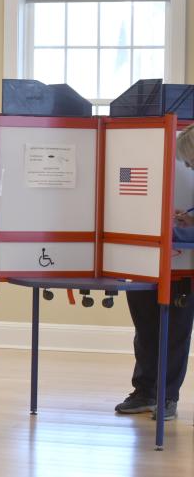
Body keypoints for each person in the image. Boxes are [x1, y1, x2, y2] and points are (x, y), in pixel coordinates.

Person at [115, 123, 194, 420]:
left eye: (190, 161)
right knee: (146, 330)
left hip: (181, 269)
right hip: (144, 264)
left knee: (175, 333)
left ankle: (166, 397)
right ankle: (145, 392)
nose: (188, 167)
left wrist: (172, 232)